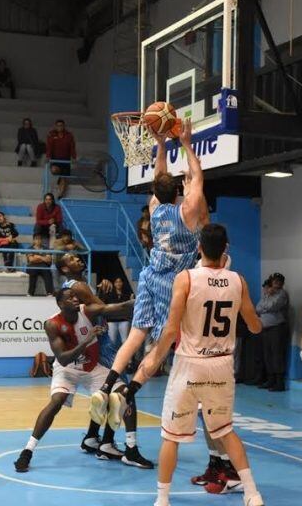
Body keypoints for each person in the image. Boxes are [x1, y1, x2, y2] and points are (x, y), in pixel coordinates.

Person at [114, 224, 265, 506]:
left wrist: (152, 362)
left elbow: (171, 331)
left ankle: (162, 499)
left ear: (198, 248)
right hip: (221, 366)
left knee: (171, 436)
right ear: (226, 249)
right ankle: (252, 493)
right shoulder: (238, 281)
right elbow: (255, 326)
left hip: (190, 365)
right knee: (225, 430)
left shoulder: (185, 278)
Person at [89, 119, 209, 426]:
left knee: (135, 334)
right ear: (179, 192)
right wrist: (186, 142)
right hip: (173, 283)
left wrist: (161, 143)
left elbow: (160, 177)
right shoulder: (188, 212)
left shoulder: (155, 208)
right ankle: (128, 392)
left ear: (157, 192)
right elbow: (198, 180)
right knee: (160, 346)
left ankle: (106, 386)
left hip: (149, 275)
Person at [13, 288, 138, 473]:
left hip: (92, 368)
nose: (74, 298)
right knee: (56, 402)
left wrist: (140, 300)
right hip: (67, 369)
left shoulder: (87, 311)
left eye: (75, 296)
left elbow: (117, 308)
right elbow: (63, 358)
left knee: (124, 393)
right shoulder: (52, 324)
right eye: (69, 297)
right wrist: (87, 339)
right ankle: (27, 451)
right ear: (60, 304)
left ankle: (129, 447)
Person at [54, 253, 153, 469]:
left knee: (105, 395)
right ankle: (117, 445)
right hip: (102, 343)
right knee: (124, 393)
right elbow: (105, 310)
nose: (78, 259)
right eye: (71, 258)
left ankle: (92, 436)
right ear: (64, 268)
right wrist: (146, 299)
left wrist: (99, 294)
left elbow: (95, 309)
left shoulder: (74, 286)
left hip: (96, 343)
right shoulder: (78, 286)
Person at [255, 273, 289, 392]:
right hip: (265, 328)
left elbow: (272, 306)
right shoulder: (267, 293)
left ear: (282, 283)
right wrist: (266, 301)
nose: (276, 284)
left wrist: (266, 305)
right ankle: (270, 380)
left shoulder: (282, 294)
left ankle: (279, 383)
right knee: (267, 355)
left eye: (279, 282)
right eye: (274, 281)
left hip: (277, 328)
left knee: (277, 355)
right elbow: (257, 308)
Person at [46, 120, 77, 199]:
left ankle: (60, 195)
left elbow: (72, 147)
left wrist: (74, 157)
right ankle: (59, 177)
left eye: (61, 125)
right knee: (54, 170)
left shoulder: (69, 135)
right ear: (55, 126)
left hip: (66, 161)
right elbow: (49, 147)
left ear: (64, 126)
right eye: (58, 125)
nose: (60, 127)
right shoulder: (52, 134)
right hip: (55, 160)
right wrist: (48, 157)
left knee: (64, 178)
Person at [101, 278, 133, 351]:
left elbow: (128, 307)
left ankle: (128, 360)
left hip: (124, 320)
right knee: (112, 341)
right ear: (114, 284)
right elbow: (105, 305)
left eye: (120, 281)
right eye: (116, 282)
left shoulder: (127, 294)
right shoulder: (109, 294)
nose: (118, 283)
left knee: (125, 340)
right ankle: (112, 359)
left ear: (122, 283)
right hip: (112, 320)